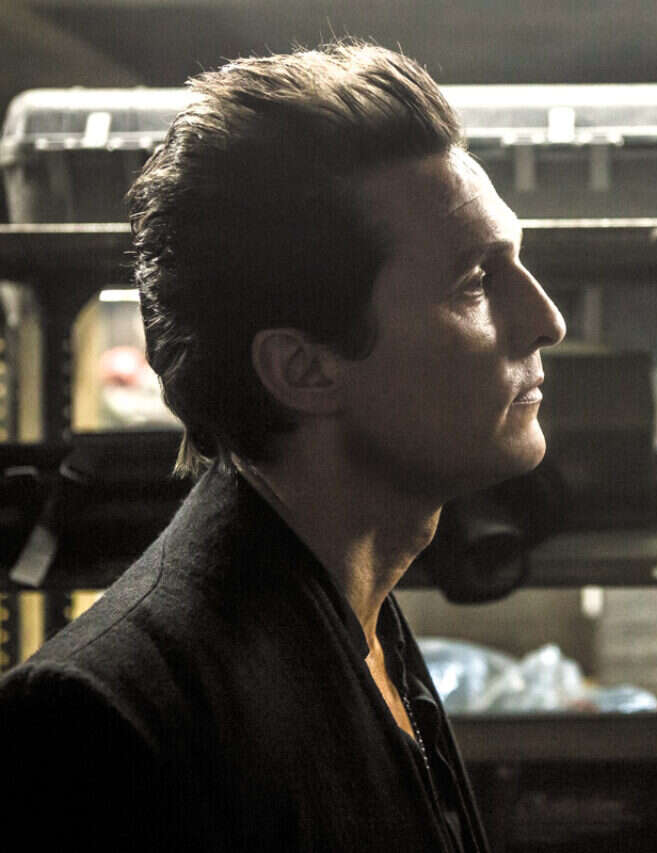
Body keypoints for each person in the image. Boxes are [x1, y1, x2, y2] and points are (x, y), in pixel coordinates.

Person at [0, 42, 564, 851]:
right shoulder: (99, 725)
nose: (546, 319)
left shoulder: (362, 620)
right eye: (473, 282)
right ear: (303, 369)